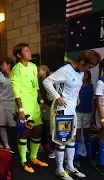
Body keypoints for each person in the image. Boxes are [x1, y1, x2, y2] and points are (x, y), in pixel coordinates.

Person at [43, 50, 100, 180]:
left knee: (71, 139)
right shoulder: (65, 70)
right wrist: (57, 97)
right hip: (62, 111)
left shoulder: (81, 72)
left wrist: (77, 96)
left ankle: (69, 166)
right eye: (89, 67)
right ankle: (59, 169)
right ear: (83, 61)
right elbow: (47, 82)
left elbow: (75, 87)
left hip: (72, 110)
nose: (88, 70)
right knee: (62, 140)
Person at [10, 42, 48, 174]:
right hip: (23, 106)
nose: (29, 52)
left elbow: (36, 85)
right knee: (25, 132)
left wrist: (41, 100)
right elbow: (16, 91)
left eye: (29, 50)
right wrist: (20, 110)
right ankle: (23, 160)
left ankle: (34, 157)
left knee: (38, 130)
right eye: (26, 51)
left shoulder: (33, 66)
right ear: (19, 55)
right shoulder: (16, 69)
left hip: (34, 104)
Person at [0, 57, 15, 150]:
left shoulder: (16, 76)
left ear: (9, 66)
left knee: (14, 125)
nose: (1, 66)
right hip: (1, 104)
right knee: (2, 125)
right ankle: (6, 144)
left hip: (13, 104)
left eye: (3, 65)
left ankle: (19, 143)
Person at [75, 71, 93, 167]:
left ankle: (89, 156)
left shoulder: (92, 86)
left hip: (87, 112)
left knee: (86, 134)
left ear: (88, 76)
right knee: (77, 133)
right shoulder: (77, 85)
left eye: (85, 74)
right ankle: (75, 156)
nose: (83, 76)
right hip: (77, 112)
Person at [38, 65, 55, 158]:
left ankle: (48, 145)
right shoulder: (39, 81)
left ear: (44, 70)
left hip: (49, 105)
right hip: (40, 106)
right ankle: (43, 144)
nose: (38, 72)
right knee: (42, 126)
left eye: (39, 70)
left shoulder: (50, 80)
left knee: (48, 126)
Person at [94, 59, 104, 174]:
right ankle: (101, 163)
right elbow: (98, 101)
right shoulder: (100, 82)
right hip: (103, 111)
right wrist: (102, 118)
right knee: (103, 135)